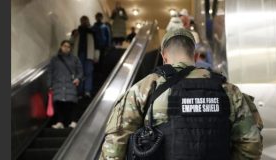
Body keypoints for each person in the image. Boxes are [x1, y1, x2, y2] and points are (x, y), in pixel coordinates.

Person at [99, 28, 263, 160]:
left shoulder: (145, 88)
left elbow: (116, 141)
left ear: (164, 57)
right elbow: (250, 143)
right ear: (196, 56)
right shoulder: (228, 90)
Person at [47, 40, 83, 129]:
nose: (66, 48)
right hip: (57, 84)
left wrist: (78, 78)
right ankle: (60, 122)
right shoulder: (54, 59)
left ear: (70, 48)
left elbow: (80, 71)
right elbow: (50, 72)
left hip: (70, 84)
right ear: (61, 46)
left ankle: (73, 121)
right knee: (58, 103)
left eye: (68, 47)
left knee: (72, 102)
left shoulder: (75, 58)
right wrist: (49, 84)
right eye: (64, 46)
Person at [72, 15, 95, 98]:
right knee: (79, 73)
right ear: (80, 21)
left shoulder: (92, 32)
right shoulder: (76, 32)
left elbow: (96, 45)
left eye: (86, 20)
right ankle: (79, 91)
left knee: (88, 73)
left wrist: (96, 55)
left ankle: (87, 91)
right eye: (83, 20)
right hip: (78, 55)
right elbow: (71, 43)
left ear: (88, 21)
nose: (84, 22)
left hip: (89, 55)